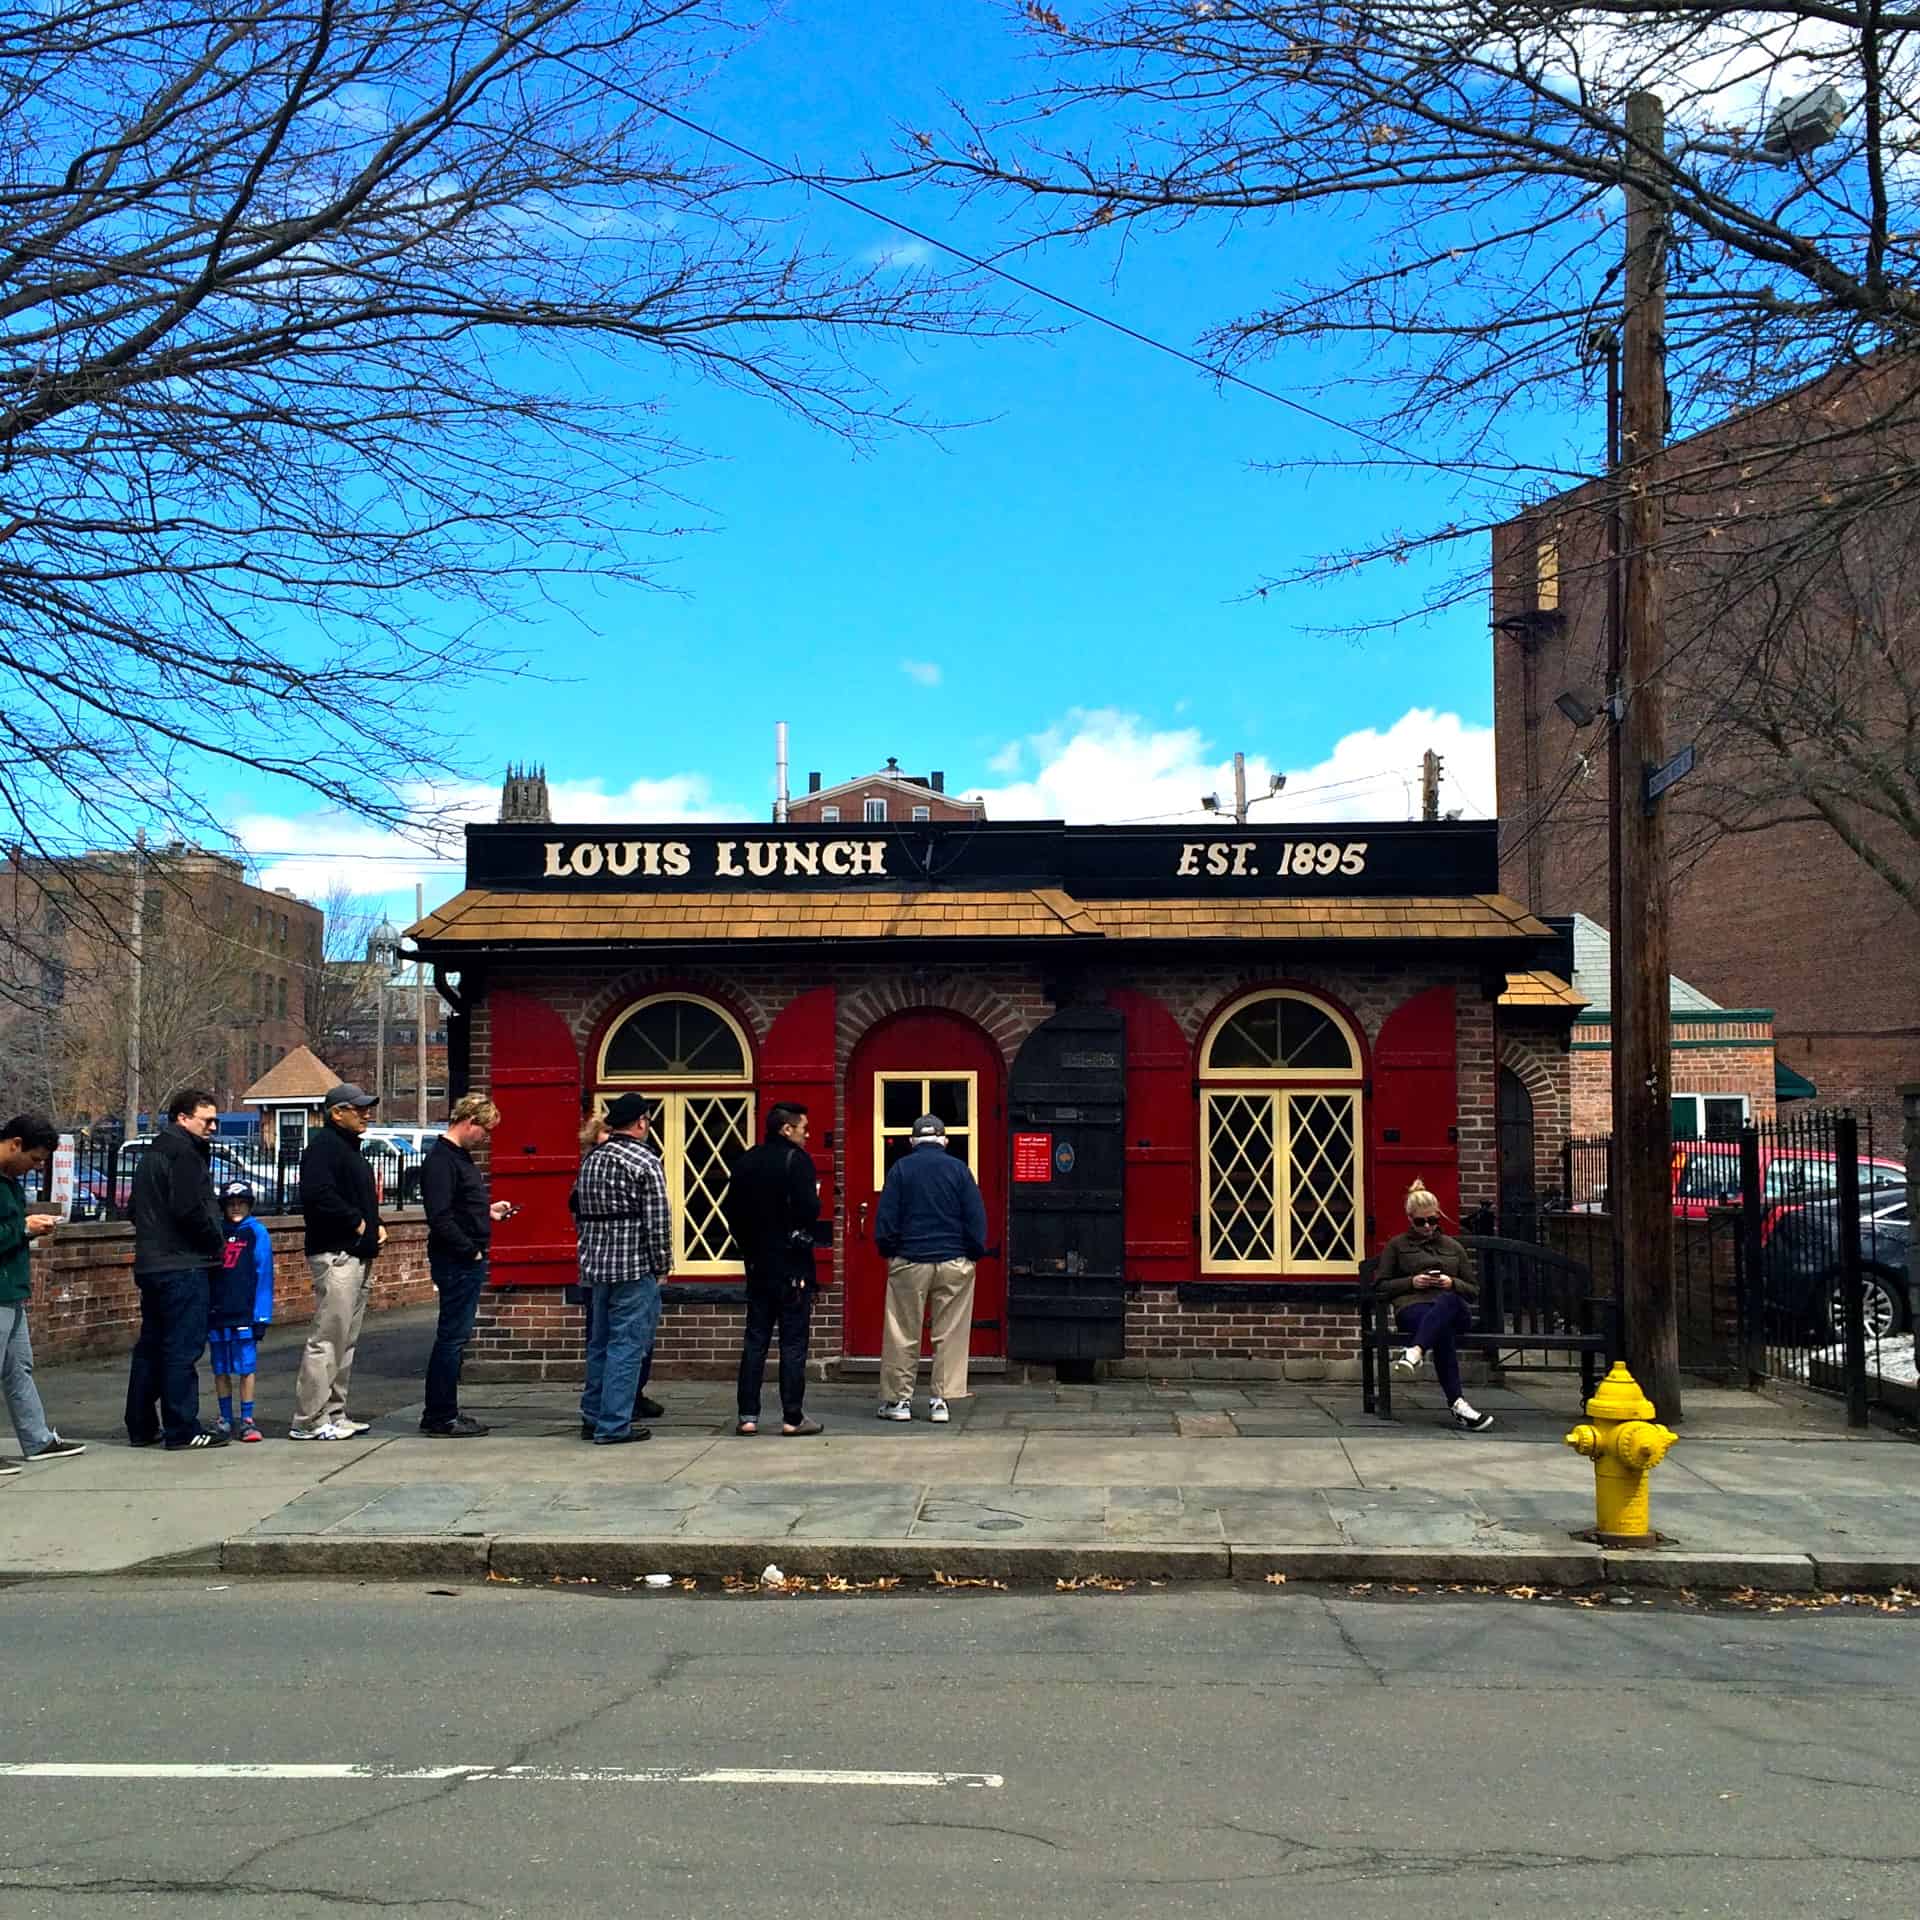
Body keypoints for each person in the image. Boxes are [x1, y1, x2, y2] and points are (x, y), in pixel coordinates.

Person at [126, 1088, 228, 1450]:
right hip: (183, 1264)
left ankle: (140, 1424)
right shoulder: (185, 1153)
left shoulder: (153, 1154)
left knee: (152, 1345)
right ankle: (182, 1427)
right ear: (183, 1118)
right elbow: (190, 1210)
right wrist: (215, 1241)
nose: (213, 1127)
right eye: (207, 1120)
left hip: (152, 1263)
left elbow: (134, 1207)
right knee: (182, 1349)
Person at [873, 1113, 987, 1424]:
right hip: (953, 1260)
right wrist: (973, 1254)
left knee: (902, 1332)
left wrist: (889, 1252)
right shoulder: (959, 1170)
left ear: (912, 1141)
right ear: (944, 1140)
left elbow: (886, 1219)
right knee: (949, 1334)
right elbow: (975, 1218)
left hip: (910, 1260)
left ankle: (899, 1401)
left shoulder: (900, 1169)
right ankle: (941, 1401)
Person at [572, 1093, 669, 1445]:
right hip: (633, 1266)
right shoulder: (644, 1160)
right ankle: (614, 1423)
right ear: (641, 1122)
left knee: (599, 1344)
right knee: (627, 1345)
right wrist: (662, 1264)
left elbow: (577, 1209)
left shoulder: (591, 1160)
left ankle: (593, 1415)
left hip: (596, 1266)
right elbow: (658, 1221)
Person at [722, 1102, 824, 1437]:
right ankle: (792, 1417)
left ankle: (747, 1415)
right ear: (787, 1129)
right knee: (793, 1342)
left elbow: (731, 1211)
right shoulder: (798, 1162)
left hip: (758, 1263)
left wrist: (749, 1247)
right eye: (803, 1128)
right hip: (792, 1264)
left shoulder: (747, 1161)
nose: (807, 1135)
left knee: (756, 1339)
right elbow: (810, 1210)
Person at [292, 1084, 385, 1441]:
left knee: (345, 1339)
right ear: (336, 1113)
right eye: (358, 1108)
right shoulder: (323, 1148)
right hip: (336, 1254)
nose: (366, 1113)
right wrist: (359, 1223)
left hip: (357, 1253)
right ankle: (308, 1420)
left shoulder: (349, 1149)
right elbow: (318, 1195)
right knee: (328, 1338)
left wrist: (375, 1227)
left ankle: (333, 1412)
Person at [419, 1093, 514, 1438]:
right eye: (485, 1130)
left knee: (455, 1337)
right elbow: (440, 1217)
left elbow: (457, 1207)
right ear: (470, 1122)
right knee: (452, 1338)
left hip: (462, 1256)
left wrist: (487, 1213)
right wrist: (470, 1250)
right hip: (457, 1260)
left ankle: (445, 1410)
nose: (486, 1138)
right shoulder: (442, 1161)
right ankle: (440, 1414)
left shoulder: (456, 1158)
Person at [0, 1112, 86, 1467]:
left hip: (11, 1289)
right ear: (14, 1144)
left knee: (19, 1365)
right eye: (34, 1159)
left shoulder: (9, 1182)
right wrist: (24, 1227)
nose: (35, 1167)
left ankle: (37, 1440)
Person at [1375, 1179, 1494, 1432]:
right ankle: (1458, 1405)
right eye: (1421, 1222)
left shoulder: (1453, 1247)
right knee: (1442, 1332)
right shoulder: (1397, 1246)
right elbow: (1380, 1286)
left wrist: (1451, 1282)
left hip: (1454, 1309)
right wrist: (1412, 1281)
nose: (1428, 1227)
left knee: (1447, 1302)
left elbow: (1473, 1290)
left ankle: (1415, 1351)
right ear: (1410, 1218)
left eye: (1432, 1220)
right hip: (1414, 1308)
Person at [210, 1181, 274, 1442]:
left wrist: (262, 1315)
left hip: (245, 1311)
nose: (236, 1208)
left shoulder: (256, 1232)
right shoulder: (217, 1231)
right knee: (220, 1367)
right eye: (231, 1204)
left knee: (246, 1367)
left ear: (249, 1205)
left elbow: (264, 1274)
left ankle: (247, 1418)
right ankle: (225, 1417)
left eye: (241, 1203)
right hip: (217, 1310)